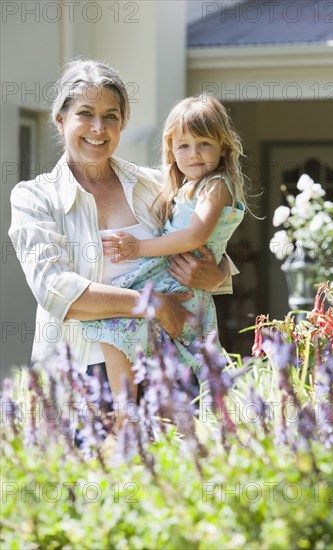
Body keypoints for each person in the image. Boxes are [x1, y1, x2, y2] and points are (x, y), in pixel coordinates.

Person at [8, 59, 237, 420]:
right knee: (87, 477)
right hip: (82, 381)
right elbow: (56, 290)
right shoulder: (35, 198)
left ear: (122, 123)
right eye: (86, 113)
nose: (99, 128)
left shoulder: (156, 186)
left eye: (111, 116)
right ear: (61, 119)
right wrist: (155, 305)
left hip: (164, 371)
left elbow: (203, 239)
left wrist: (218, 272)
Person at [83, 95, 246, 407]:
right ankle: (127, 411)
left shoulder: (216, 186)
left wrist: (138, 248)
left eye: (204, 144)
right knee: (121, 329)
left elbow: (194, 236)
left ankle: (134, 414)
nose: (194, 154)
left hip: (179, 284)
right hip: (167, 278)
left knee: (176, 364)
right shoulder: (183, 187)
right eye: (183, 145)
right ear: (171, 149)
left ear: (223, 147)